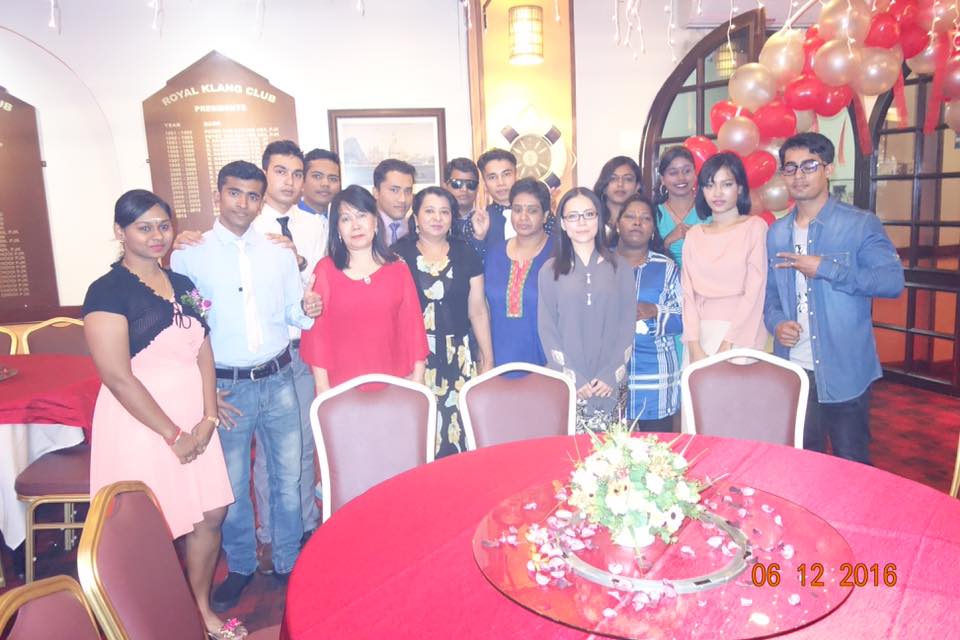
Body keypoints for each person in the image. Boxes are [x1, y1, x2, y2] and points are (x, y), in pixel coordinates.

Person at [83, 190, 239, 639]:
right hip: (141, 424)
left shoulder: (183, 284)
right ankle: (151, 625)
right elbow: (117, 377)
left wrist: (208, 418)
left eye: (163, 226)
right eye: (144, 228)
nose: (157, 236)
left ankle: (199, 609)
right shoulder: (106, 291)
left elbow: (203, 352)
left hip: (195, 421)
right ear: (121, 232)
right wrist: (174, 435)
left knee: (210, 514)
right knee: (149, 528)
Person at [170, 161, 322, 611]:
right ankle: (240, 566)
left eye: (253, 196)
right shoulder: (189, 256)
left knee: (289, 477)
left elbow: (293, 314)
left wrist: (308, 308)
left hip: (279, 379)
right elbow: (187, 327)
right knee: (232, 485)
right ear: (218, 195)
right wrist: (203, 392)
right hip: (226, 388)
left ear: (261, 202)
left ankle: (288, 561)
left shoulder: (278, 252)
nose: (243, 203)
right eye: (234, 193)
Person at [764, 132, 904, 464]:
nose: (799, 175)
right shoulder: (777, 232)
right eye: (790, 168)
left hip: (845, 369)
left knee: (852, 464)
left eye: (809, 166)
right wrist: (777, 323)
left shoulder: (859, 224)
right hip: (795, 369)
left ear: (828, 169)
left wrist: (827, 269)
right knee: (804, 463)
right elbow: (770, 296)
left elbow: (892, 282)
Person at [251, 140, 323, 571]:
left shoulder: (312, 225)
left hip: (306, 347)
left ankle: (306, 526)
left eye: (298, 174)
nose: (290, 181)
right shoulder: (246, 225)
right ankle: (270, 534)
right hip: (270, 355)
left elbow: (319, 284)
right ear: (265, 174)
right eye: (281, 171)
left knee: (306, 444)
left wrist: (299, 264)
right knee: (271, 451)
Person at [394, 186, 493, 457]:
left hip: (458, 357)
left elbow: (478, 311)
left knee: (460, 431)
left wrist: (487, 359)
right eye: (429, 211)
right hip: (414, 358)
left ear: (452, 218)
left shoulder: (466, 254)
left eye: (444, 212)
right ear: (416, 217)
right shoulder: (396, 257)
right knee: (419, 433)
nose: (437, 218)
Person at [299, 185, 429, 393]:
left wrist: (418, 376)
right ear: (337, 229)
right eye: (346, 219)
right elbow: (318, 335)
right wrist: (323, 387)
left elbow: (413, 325)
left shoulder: (398, 268)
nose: (355, 225)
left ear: (375, 222)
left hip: (395, 383)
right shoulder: (326, 270)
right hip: (341, 388)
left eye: (361, 215)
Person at [538, 187, 636, 422]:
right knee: (568, 446)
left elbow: (627, 326)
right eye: (573, 216)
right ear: (563, 223)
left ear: (599, 219)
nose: (581, 222)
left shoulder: (620, 267)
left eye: (588, 214)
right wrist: (572, 376)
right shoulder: (549, 271)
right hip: (568, 383)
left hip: (610, 383)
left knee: (613, 446)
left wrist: (611, 374)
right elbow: (547, 329)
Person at [681, 152, 768, 365]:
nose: (717, 193)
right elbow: (687, 295)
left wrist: (728, 344)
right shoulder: (694, 235)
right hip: (699, 336)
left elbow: (754, 292)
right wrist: (693, 345)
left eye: (726, 184)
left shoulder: (755, 227)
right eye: (710, 185)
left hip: (743, 333)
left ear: (740, 188)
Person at [615, 193, 682, 431]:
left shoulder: (667, 268)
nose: (637, 222)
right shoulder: (600, 264)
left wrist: (654, 311)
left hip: (656, 379)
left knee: (656, 448)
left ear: (653, 229)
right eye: (630, 217)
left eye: (645, 218)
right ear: (617, 223)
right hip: (608, 378)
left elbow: (685, 317)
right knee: (610, 449)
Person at [484, 177, 554, 368]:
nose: (523, 217)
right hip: (497, 361)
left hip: (547, 364)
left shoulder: (559, 254)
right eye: (517, 209)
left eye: (532, 210)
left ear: (545, 215)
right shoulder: (494, 253)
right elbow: (482, 310)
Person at [656, 146, 704, 266]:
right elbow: (644, 257)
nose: (681, 177)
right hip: (665, 277)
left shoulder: (709, 209)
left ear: (695, 173)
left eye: (687, 171)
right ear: (662, 179)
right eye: (673, 173)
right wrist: (667, 241)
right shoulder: (653, 213)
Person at [473, 148, 518, 255]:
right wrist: (479, 238)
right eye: (492, 177)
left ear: (516, 175)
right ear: (484, 183)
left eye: (506, 174)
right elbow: (469, 262)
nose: (500, 183)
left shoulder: (536, 214)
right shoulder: (477, 220)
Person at [594, 156, 641, 244]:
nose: (620, 184)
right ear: (603, 186)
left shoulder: (642, 221)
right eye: (613, 179)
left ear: (637, 186)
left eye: (628, 179)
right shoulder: (592, 221)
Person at [444, 157, 486, 256]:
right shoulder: (437, 221)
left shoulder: (485, 221)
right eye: (457, 183)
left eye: (470, 184)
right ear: (445, 186)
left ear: (477, 188)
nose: (464, 189)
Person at [373, 159, 416, 245]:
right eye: (394, 190)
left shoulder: (416, 230)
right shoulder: (362, 230)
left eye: (408, 191)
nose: (403, 199)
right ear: (376, 192)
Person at [300, 148, 341, 218]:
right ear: (303, 180)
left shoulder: (341, 219)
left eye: (333, 179)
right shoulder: (288, 219)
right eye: (317, 176)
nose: (325, 184)